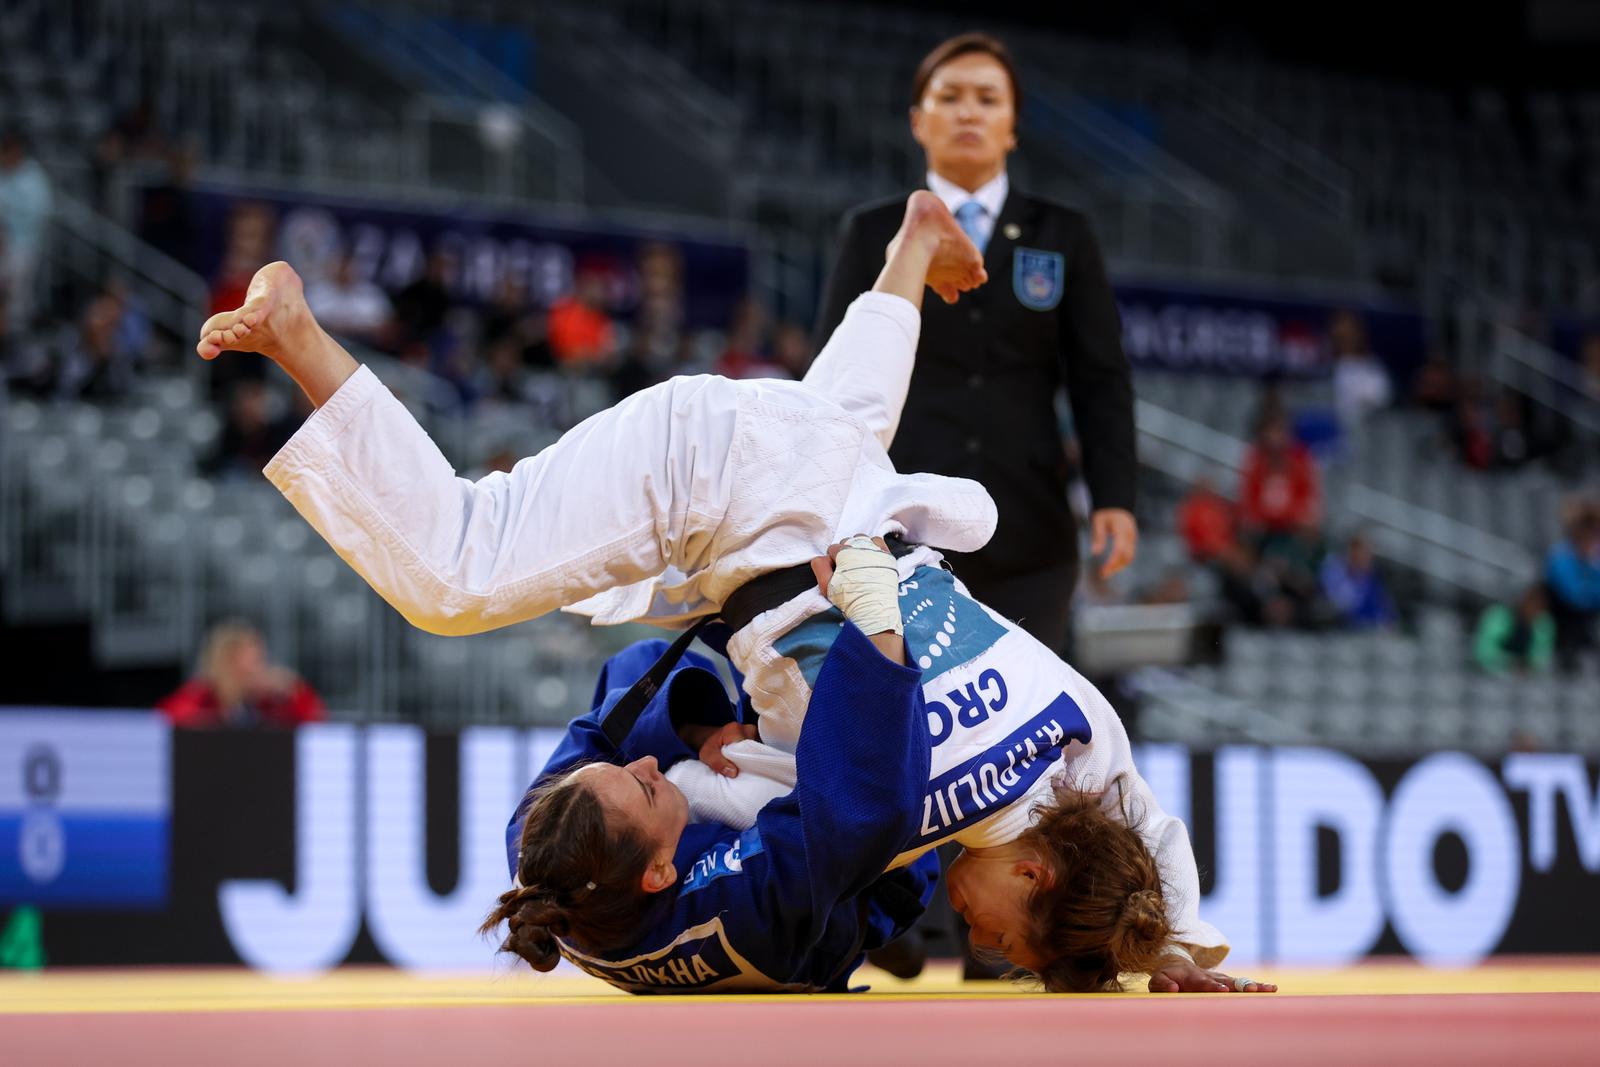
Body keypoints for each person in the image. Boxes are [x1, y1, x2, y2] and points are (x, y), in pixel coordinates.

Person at [196, 193, 1264, 994]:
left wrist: (1169, 944)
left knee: (838, 420)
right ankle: (298, 333)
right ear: (1033, 873)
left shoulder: (1077, 730)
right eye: (1007, 941)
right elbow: (709, 817)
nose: (979, 942)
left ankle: (906, 253)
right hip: (718, 490)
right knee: (456, 577)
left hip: (823, 495)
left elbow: (1144, 825)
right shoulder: (891, 815)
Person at [815, 32, 1137, 656]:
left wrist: (1115, 498)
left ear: (1012, 126)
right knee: (909, 711)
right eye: (950, 97)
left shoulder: (1064, 234)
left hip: (1031, 530)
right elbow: (839, 368)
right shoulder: (874, 231)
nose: (968, 111)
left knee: (1027, 723)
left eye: (988, 99)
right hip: (896, 526)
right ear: (918, 121)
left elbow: (1101, 377)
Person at [158, 620, 325, 729]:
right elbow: (166, 722)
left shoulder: (268, 703)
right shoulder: (197, 698)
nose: (261, 668)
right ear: (227, 661)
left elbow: (315, 725)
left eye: (261, 659)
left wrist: (294, 690)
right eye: (254, 660)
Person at [0, 129, 53, 331]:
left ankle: (15, 332)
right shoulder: (2, 175)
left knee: (18, 293)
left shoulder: (33, 177)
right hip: (2, 244)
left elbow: (40, 211)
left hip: (24, 243)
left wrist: (8, 217)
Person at [1473, 585, 1556, 676]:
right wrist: (1511, 663)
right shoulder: (1498, 616)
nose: (1534, 610)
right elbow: (1483, 652)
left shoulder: (1543, 625)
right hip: (1490, 672)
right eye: (1532, 603)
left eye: (1539, 606)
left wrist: (1527, 666)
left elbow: (1541, 657)